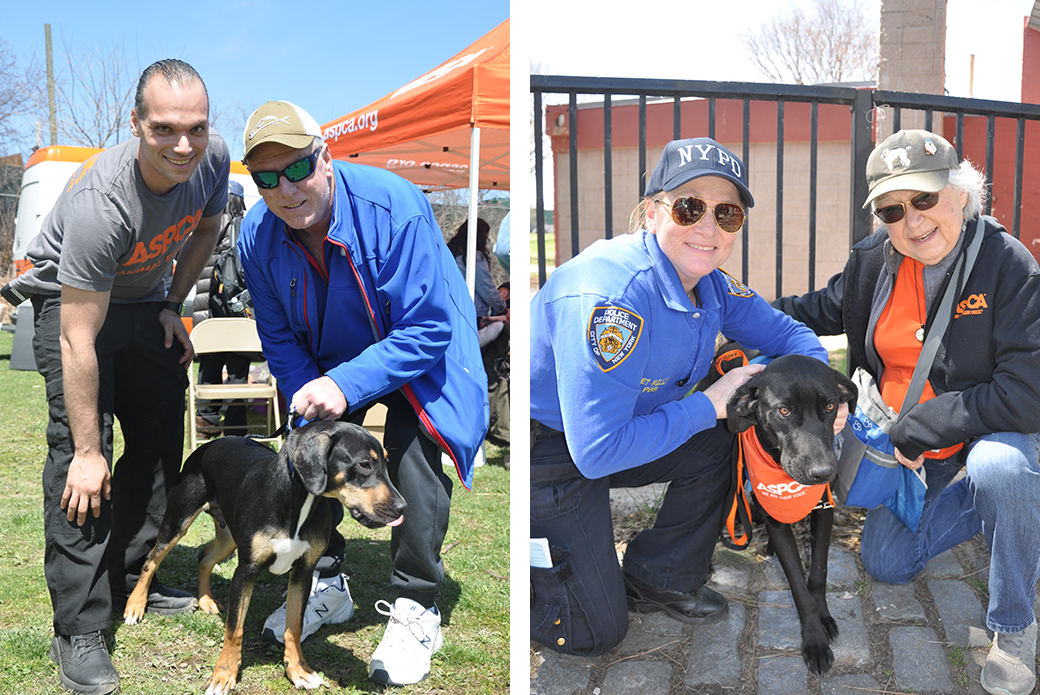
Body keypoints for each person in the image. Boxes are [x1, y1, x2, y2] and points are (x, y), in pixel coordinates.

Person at [529, 137, 838, 656]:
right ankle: (533, 560)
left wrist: (825, 396)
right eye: (690, 207)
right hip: (555, 450)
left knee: (720, 442)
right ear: (652, 212)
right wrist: (709, 403)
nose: (709, 227)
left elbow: (797, 340)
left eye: (728, 214)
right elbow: (596, 450)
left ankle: (660, 577)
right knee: (593, 635)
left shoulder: (711, 284)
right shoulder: (612, 299)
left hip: (624, 430)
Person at [773, 129, 1040, 695]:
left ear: (960, 194)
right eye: (893, 210)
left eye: (923, 199)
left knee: (1001, 468)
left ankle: (1015, 625)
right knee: (888, 563)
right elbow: (823, 306)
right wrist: (737, 312)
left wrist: (919, 429)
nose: (912, 221)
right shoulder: (875, 260)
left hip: (983, 431)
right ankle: (1007, 502)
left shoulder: (1007, 264)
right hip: (908, 444)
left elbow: (1026, 392)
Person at [236, 101, 488, 686]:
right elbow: (276, 333)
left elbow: (427, 329)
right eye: (267, 178)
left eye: (297, 169)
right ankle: (324, 579)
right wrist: (308, 404)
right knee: (311, 463)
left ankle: (416, 603)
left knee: (412, 455)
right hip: (324, 362)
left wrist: (345, 383)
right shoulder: (256, 234)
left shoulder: (394, 204)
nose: (286, 189)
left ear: (325, 156)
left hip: (420, 349)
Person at [0, 59, 229, 695]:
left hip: (142, 302)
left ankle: (130, 577)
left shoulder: (211, 162)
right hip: (70, 306)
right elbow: (77, 336)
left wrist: (171, 303)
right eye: (164, 130)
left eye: (196, 128)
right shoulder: (105, 202)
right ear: (135, 125)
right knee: (81, 462)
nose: (183, 145)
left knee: (159, 439)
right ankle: (79, 623)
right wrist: (86, 450)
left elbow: (208, 227)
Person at [191, 180, 251, 438]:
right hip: (238, 310)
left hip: (206, 312)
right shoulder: (245, 227)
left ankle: (206, 423)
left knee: (209, 364)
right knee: (238, 368)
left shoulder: (203, 225)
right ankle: (235, 427)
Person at [447, 217, 508, 347]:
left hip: (450, 308)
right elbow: (487, 289)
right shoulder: (472, 257)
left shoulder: (451, 252)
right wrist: (502, 309)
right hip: (471, 311)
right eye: (486, 237)